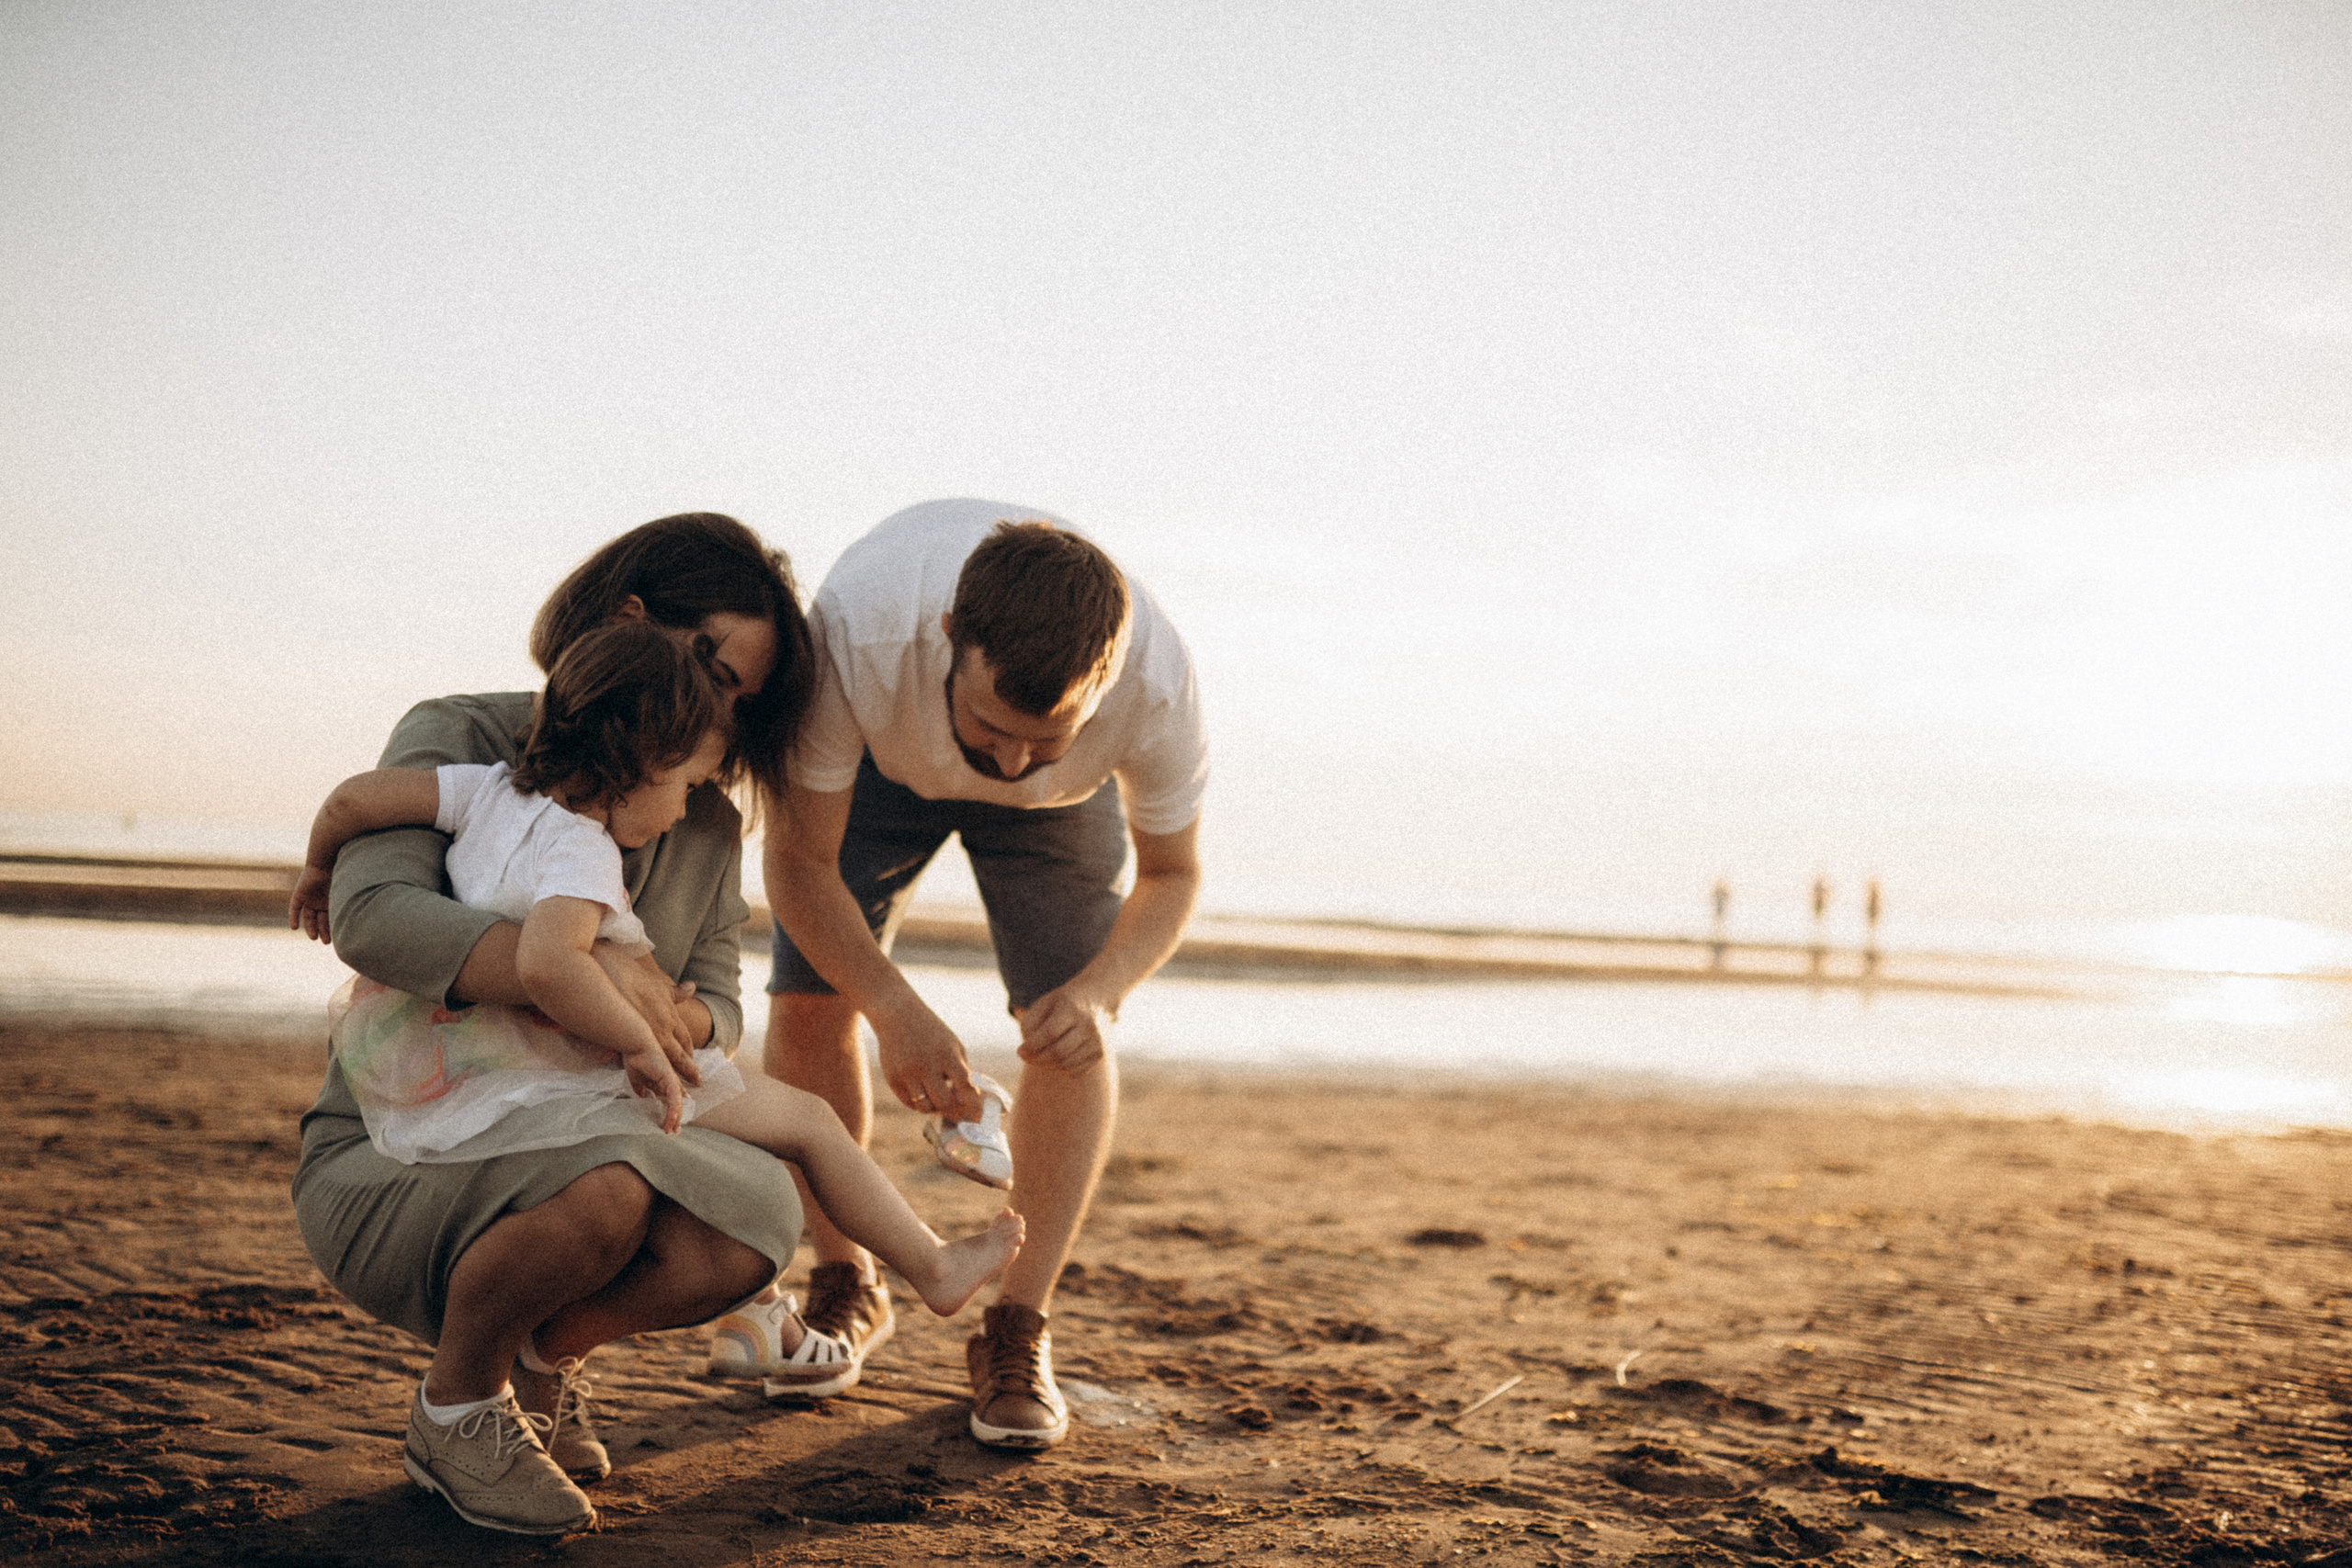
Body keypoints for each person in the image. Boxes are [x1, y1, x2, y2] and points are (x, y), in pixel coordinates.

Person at [293, 514, 819, 1537]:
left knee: (757, 1216)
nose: (723, 710)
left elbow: (720, 1002)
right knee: (608, 1185)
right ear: (629, 620)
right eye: (711, 667)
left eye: (742, 697)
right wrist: (588, 978)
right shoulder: (468, 737)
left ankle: (543, 1354)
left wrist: (672, 1008)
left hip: (582, 1126)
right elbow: (373, 917)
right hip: (404, 1147)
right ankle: (458, 1406)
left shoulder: (701, 819)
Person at [288, 622, 1023, 1342]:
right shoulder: (583, 851)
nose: (683, 811)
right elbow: (550, 962)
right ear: (635, 764)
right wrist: (638, 1040)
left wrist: (320, 868)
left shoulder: (484, 789)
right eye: (688, 782)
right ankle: (930, 1265)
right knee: (808, 1122)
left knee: (799, 1125)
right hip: (561, 1061)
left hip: (450, 1054)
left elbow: (355, 801)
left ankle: (921, 1265)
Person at [755, 499, 1206, 1451]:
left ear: (1109, 682)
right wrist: (891, 1005)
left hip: (1063, 812)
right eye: (991, 724)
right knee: (809, 1001)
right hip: (876, 764)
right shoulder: (858, 633)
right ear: (949, 638)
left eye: (1042, 734)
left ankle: (1016, 1325)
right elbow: (796, 868)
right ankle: (844, 1282)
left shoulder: (1157, 687)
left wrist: (1099, 991)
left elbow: (1173, 875)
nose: (1005, 760)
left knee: (1073, 1034)